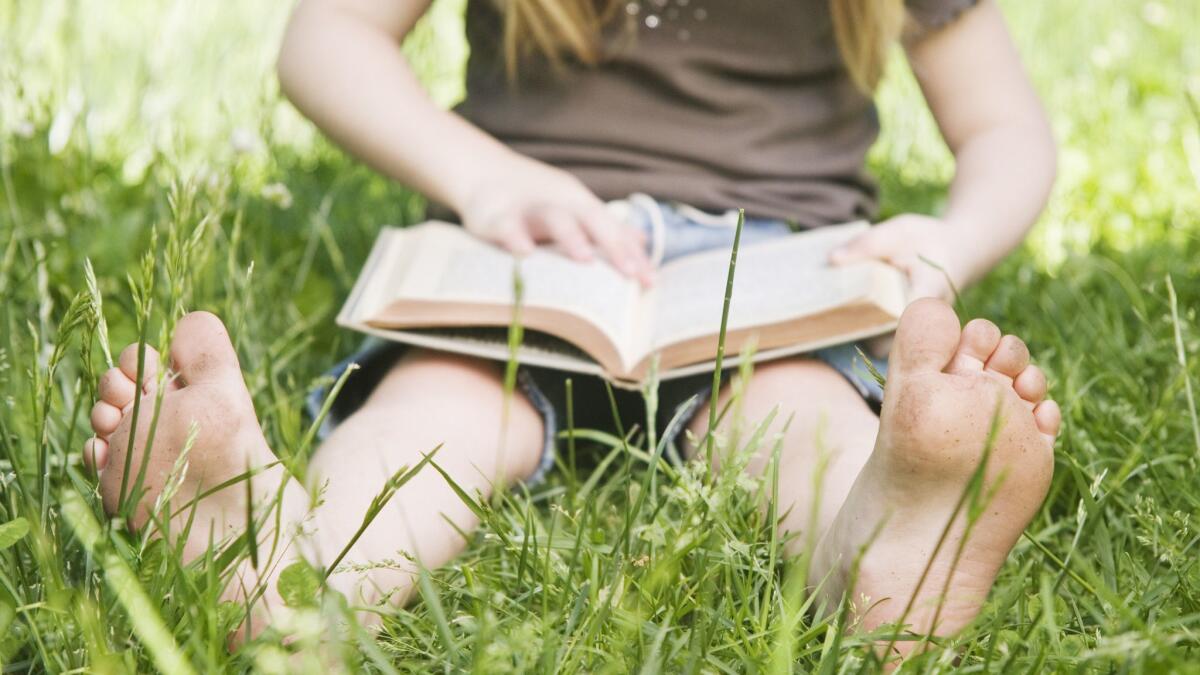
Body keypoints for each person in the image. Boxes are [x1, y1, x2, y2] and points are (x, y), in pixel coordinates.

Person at [81, 0, 1061, 658]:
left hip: (771, 271)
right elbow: (326, 40)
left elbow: (1005, 128)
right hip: (530, 244)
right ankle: (293, 577)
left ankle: (884, 556)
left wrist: (951, 240)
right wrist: (484, 178)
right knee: (435, 410)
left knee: (795, 414)